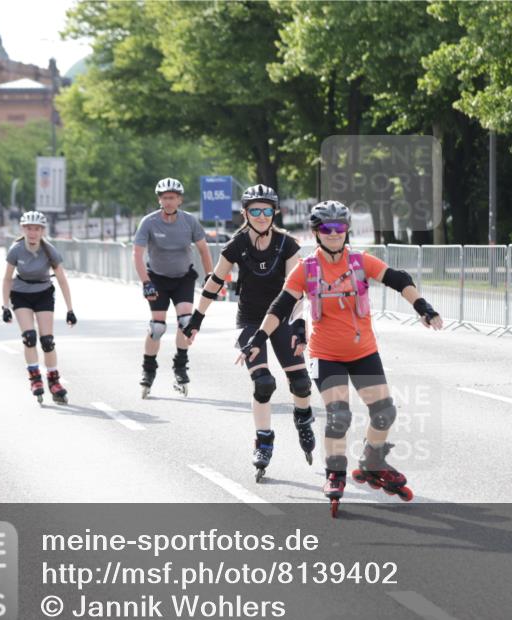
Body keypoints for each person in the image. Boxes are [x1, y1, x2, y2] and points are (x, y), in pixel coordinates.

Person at [240, 200, 443, 516]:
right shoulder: (305, 270)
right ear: (316, 232)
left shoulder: (361, 262)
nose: (334, 234)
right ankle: (335, 473)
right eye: (327, 228)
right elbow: (279, 307)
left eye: (340, 227)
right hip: (326, 355)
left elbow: (399, 278)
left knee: (384, 412)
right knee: (339, 415)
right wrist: (258, 338)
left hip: (363, 352)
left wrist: (423, 307)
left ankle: (372, 459)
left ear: (347, 230)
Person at [184, 184, 316, 482]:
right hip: (250, 321)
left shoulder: (288, 245)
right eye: (254, 210)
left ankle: (303, 418)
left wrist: (297, 324)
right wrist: (195, 320)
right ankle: (264, 440)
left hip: (281, 318)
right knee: (264, 383)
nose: (260, 215)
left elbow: (296, 290)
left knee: (300, 382)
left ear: (274, 212)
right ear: (245, 213)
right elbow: (215, 282)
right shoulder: (236, 245)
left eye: (266, 210)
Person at [133, 177, 213, 398]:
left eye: (172, 198)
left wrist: (209, 276)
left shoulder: (189, 221)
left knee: (185, 322)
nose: (168, 202)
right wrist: (146, 283)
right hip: (157, 278)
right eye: (164, 198)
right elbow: (137, 254)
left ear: (180, 200)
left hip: (183, 277)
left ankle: (180, 366)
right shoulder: (149, 222)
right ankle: (148, 370)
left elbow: (204, 250)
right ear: (159, 200)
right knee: (157, 327)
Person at [1, 211, 76, 404]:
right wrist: (5, 306)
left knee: (47, 341)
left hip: (43, 293)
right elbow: (7, 278)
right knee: (29, 337)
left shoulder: (50, 251)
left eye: (37, 229)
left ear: (43, 231)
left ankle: (53, 380)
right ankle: (35, 377)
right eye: (29, 228)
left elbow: (62, 280)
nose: (32, 233)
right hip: (21, 295)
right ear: (22, 229)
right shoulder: (16, 250)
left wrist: (70, 309)